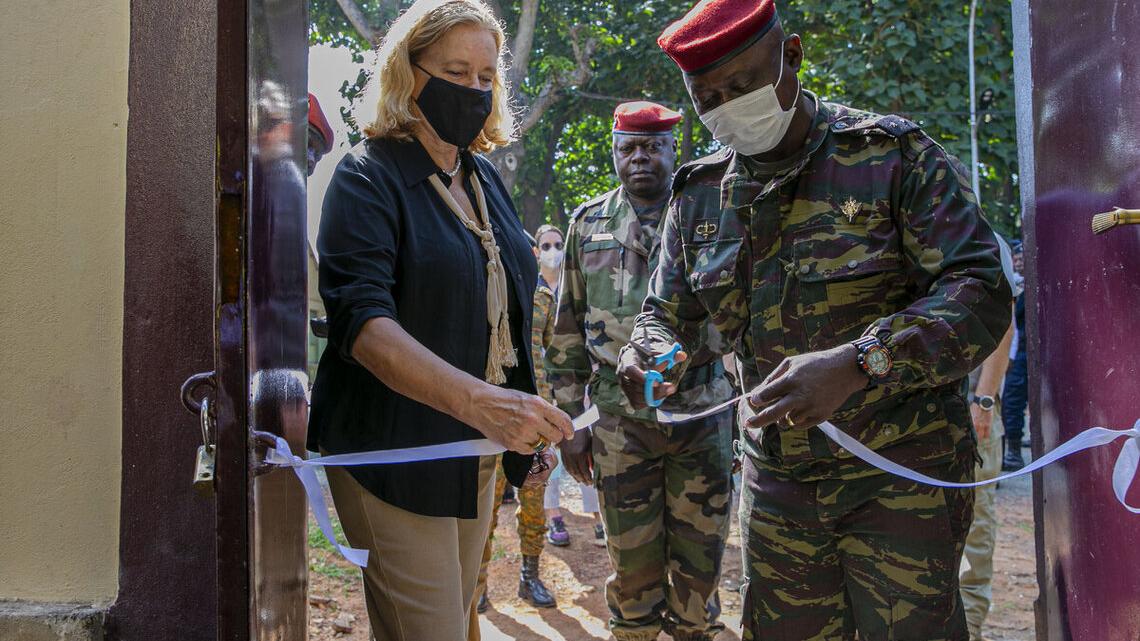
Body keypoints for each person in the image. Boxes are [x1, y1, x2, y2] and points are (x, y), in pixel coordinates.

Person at [617, 2, 1013, 639]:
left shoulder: (890, 157)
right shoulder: (700, 195)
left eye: (742, 85)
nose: (727, 107)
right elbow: (666, 313)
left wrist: (863, 361)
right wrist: (649, 350)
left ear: (793, 56)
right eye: (708, 98)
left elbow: (981, 290)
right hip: (780, 487)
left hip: (901, 480)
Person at [307, 2, 573, 639]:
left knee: (459, 618)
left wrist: (523, 421)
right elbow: (363, 327)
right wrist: (485, 404)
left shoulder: (481, 177)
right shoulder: (366, 177)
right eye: (455, 72)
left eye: (486, 78)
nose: (473, 91)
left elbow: (508, 308)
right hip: (398, 452)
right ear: (408, 72)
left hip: (473, 451)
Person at [547, 101, 736, 641]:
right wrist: (571, 427)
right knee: (632, 568)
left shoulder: (714, 218)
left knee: (701, 567)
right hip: (620, 425)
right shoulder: (588, 224)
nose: (640, 158)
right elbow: (566, 331)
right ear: (614, 153)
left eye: (653, 147)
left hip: (701, 414)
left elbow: (743, 318)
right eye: (628, 148)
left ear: (674, 149)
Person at [473, 226, 566, 613]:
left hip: (536, 418)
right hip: (493, 415)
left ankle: (530, 576)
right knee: (486, 506)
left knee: (533, 502)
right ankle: (478, 585)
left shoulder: (544, 298)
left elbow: (552, 351)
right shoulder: (486, 288)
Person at [1001, 241, 1028, 470]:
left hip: (1031, 352)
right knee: (1012, 401)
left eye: (1022, 259)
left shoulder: (1034, 286)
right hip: (1017, 352)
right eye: (1016, 259)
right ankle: (1013, 451)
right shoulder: (1013, 284)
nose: (1018, 263)